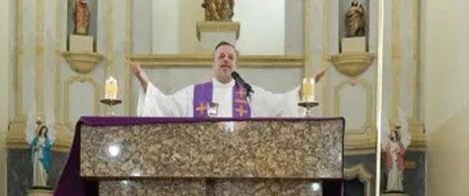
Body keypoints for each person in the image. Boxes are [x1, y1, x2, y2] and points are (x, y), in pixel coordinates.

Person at [131, 41, 325, 118]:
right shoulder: (194, 93)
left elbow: (281, 103)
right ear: (213, 63)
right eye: (221, 56)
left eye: (230, 57)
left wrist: (306, 88)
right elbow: (166, 106)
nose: (226, 60)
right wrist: (143, 80)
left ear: (236, 65)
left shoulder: (249, 94)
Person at [30, 123, 52, 189]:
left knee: (43, 170)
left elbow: (48, 147)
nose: (44, 131)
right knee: (38, 168)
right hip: (37, 155)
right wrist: (36, 147)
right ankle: (37, 182)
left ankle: (43, 183)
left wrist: (43, 146)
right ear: (41, 130)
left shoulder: (46, 139)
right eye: (43, 130)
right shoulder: (36, 138)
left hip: (44, 156)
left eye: (45, 130)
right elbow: (32, 146)